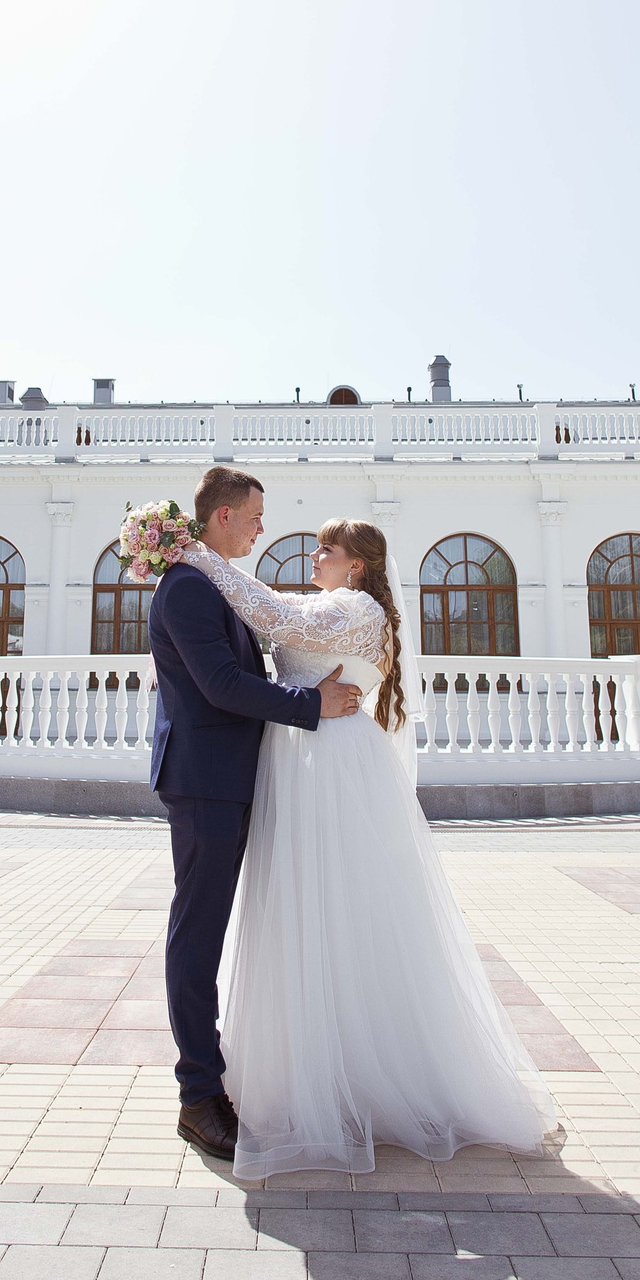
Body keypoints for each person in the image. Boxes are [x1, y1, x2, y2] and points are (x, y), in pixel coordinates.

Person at [173, 515, 556, 1179]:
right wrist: (209, 562)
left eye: (327, 548)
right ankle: (322, 1066)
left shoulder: (354, 608)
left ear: (357, 566)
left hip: (333, 765)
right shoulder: (337, 603)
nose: (314, 554)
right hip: (306, 759)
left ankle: (359, 1080)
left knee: (342, 912)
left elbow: (270, 616)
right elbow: (274, 609)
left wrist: (198, 556)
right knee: (315, 913)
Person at [149, 466, 360, 1162]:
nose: (263, 529)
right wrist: (311, 707)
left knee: (210, 931)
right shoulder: (185, 587)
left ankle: (214, 1080)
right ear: (222, 520)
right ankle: (198, 1096)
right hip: (206, 782)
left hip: (231, 779)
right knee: (198, 934)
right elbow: (219, 685)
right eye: (256, 516)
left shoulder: (212, 584)